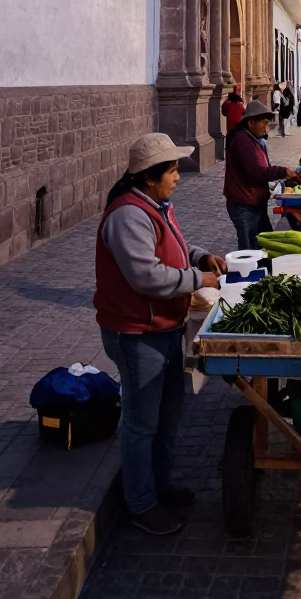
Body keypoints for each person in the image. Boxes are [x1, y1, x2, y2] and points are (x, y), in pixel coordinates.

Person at [94, 133, 228, 536]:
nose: (177, 177)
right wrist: (197, 278)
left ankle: (160, 484)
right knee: (141, 423)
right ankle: (140, 503)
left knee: (169, 414)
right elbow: (146, 275)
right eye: (171, 171)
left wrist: (200, 255)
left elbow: (171, 247)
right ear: (150, 177)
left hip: (165, 328)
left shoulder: (155, 206)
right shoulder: (127, 215)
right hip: (137, 334)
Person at [224, 100, 300, 249]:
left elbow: (264, 166)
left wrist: (277, 179)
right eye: (263, 123)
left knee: (263, 243)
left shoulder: (254, 139)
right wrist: (283, 171)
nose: (266, 127)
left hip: (255, 201)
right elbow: (255, 171)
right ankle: (248, 272)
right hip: (244, 203)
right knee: (249, 248)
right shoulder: (242, 140)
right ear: (251, 122)